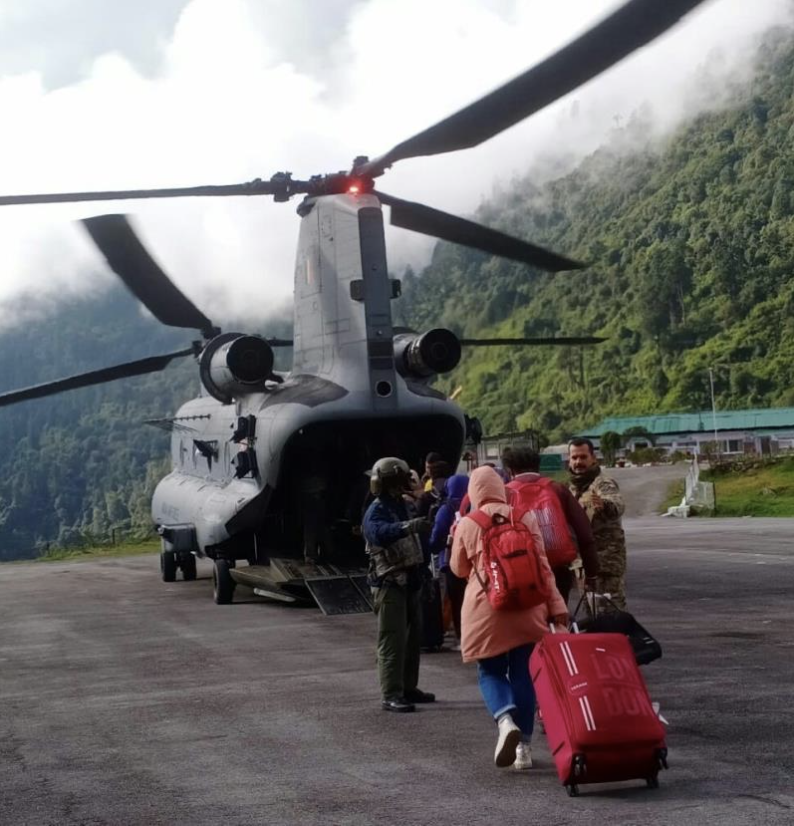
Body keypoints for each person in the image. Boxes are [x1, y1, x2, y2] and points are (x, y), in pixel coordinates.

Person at [450, 466, 568, 770]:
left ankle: (504, 720)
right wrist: (557, 609)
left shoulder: (469, 523)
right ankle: (524, 750)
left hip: (487, 609)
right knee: (522, 674)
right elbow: (543, 567)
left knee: (489, 671)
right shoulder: (524, 517)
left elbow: (459, 569)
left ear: (474, 492)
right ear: (501, 488)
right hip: (527, 608)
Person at [362, 457, 436, 713]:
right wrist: (407, 527)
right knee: (392, 640)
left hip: (410, 579)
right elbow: (377, 533)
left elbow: (418, 540)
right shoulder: (377, 510)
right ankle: (391, 693)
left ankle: (407, 687)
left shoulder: (402, 505)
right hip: (390, 582)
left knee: (412, 639)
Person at [501, 445, 599, 603]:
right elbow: (585, 534)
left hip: (520, 569)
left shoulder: (504, 493)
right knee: (559, 618)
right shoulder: (557, 489)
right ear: (538, 466)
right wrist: (592, 573)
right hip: (558, 568)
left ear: (510, 470)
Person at [567, 437, 627, 610]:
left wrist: (604, 505)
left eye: (583, 457)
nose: (578, 462)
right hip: (583, 565)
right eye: (574, 458)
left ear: (593, 458)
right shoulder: (572, 488)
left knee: (612, 612)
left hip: (605, 563)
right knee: (591, 612)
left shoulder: (602, 483)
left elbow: (617, 505)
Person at [428, 473, 469, 648]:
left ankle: (462, 638)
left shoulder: (446, 509)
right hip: (474, 561)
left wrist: (431, 547)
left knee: (457, 601)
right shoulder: (473, 505)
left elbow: (437, 536)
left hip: (452, 561)